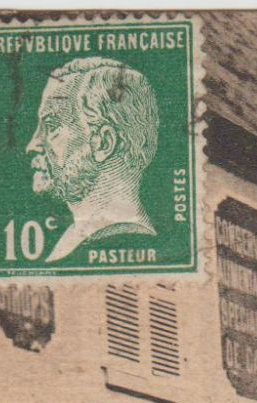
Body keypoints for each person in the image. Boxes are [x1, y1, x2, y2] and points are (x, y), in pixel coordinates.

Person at [27, 57, 161, 263]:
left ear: (103, 143)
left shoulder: (122, 239)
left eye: (51, 126)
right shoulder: (75, 238)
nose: (32, 145)